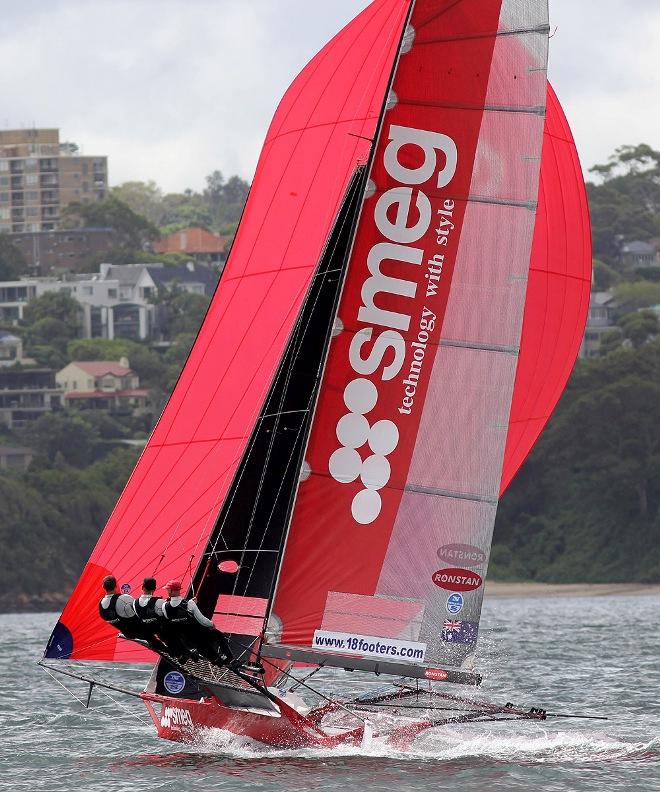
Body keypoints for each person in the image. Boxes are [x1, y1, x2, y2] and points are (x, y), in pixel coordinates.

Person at [161, 580, 233, 666]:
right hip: (199, 634)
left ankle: (216, 659)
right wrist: (211, 624)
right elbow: (202, 620)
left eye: (167, 589)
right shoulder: (189, 604)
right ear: (178, 590)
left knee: (203, 647)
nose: (167, 591)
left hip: (186, 639)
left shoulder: (164, 606)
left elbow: (172, 616)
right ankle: (229, 658)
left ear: (171, 590)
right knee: (219, 635)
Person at [131, 577, 171, 656]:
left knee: (149, 637)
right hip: (162, 630)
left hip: (148, 631)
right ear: (155, 589)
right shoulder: (160, 602)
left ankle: (169, 652)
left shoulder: (134, 603)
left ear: (142, 587)